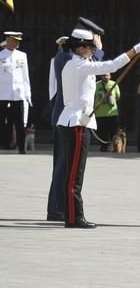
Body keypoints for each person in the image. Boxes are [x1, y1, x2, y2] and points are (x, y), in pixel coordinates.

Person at [59, 28, 140, 228]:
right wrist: (135, 50)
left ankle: (72, 215)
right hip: (77, 123)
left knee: (72, 172)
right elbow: (112, 65)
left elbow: (99, 65)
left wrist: (99, 50)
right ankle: (75, 218)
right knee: (76, 174)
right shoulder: (81, 66)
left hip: (72, 120)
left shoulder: (73, 64)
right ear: (81, 48)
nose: (93, 51)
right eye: (90, 48)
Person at [47, 17, 104, 222]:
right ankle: (57, 207)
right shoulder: (66, 56)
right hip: (68, 117)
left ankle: (61, 206)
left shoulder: (71, 57)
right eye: (91, 41)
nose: (94, 45)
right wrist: (99, 51)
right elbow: (96, 67)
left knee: (66, 165)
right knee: (64, 165)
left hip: (68, 116)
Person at [0, 31, 31, 153]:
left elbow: (25, 76)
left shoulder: (22, 55)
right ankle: (4, 146)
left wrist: (28, 94)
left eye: (18, 41)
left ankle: (21, 148)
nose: (17, 43)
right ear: (8, 40)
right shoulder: (1, 55)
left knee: (19, 123)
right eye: (14, 40)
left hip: (18, 94)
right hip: (3, 94)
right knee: (3, 122)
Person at [93, 72, 120, 151]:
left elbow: (118, 96)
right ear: (101, 76)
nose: (105, 76)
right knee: (101, 132)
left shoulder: (114, 84)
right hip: (100, 113)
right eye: (104, 75)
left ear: (110, 76)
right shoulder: (96, 85)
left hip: (112, 113)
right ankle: (103, 146)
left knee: (113, 131)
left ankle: (113, 147)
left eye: (107, 75)